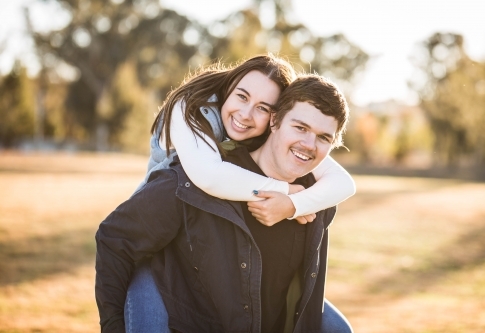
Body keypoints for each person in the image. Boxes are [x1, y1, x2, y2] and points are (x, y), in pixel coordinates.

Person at [95, 74, 354, 333]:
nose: (309, 145)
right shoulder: (194, 178)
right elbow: (115, 238)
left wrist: (295, 203)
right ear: (274, 121)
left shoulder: (316, 199)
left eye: (323, 138)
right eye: (300, 128)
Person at [138, 54, 355, 226]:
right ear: (230, 87)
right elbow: (208, 176)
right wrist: (285, 190)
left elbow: (343, 182)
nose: (245, 114)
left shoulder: (276, 128)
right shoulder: (189, 106)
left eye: (262, 107)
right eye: (242, 96)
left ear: (274, 117)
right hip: (146, 218)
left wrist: (292, 205)